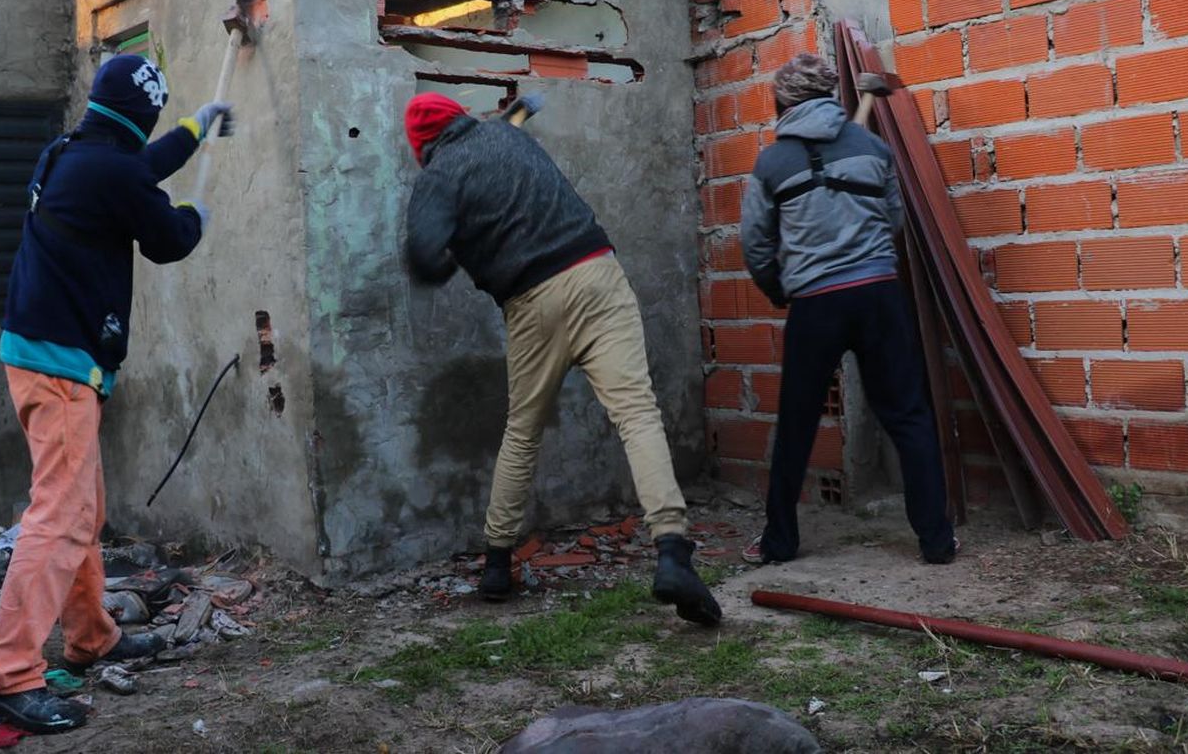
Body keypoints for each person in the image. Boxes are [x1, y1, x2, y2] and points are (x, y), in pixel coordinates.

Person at [0, 55, 233, 734]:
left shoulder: (72, 151)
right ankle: (7, 676)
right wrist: (197, 215)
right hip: (59, 365)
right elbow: (169, 238)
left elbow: (139, 167)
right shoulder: (113, 170)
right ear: (137, 116)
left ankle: (90, 638)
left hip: (41, 353)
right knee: (59, 515)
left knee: (80, 505)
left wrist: (196, 131)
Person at [404, 92, 721, 626]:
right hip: (595, 271)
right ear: (461, 118)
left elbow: (422, 254)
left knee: (523, 432)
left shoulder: (438, 177)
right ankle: (671, 549)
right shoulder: (506, 134)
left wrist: (446, 258)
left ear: (422, 147)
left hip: (531, 301)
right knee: (637, 415)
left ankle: (497, 565)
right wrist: (517, 110)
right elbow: (510, 122)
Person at [738, 53, 956, 566]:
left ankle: (779, 542)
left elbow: (755, 242)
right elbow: (893, 217)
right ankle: (937, 541)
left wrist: (779, 288)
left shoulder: (771, 162)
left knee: (796, 423)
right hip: (879, 293)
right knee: (907, 415)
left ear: (782, 103)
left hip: (815, 303)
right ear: (831, 97)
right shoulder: (872, 147)